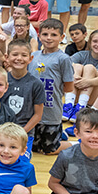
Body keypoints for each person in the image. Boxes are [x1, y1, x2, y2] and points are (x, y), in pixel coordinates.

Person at [31, 19, 74, 155]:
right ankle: (60, 136)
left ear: (61, 37)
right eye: (45, 34)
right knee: (35, 148)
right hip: (33, 114)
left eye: (54, 35)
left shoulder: (63, 59)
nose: (49, 38)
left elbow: (69, 87)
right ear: (39, 36)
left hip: (51, 112)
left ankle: (75, 143)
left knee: (49, 150)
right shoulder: (33, 56)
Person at [63, 30, 98, 131]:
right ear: (90, 43)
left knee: (89, 67)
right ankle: (69, 105)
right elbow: (66, 67)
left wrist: (87, 82)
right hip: (76, 93)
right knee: (76, 66)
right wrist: (76, 77)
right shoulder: (81, 55)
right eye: (95, 41)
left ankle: (81, 107)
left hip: (96, 99)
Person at [2, 40, 44, 157]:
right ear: (7, 57)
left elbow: (38, 115)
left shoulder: (36, 84)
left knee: (21, 166)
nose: (19, 58)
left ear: (30, 58)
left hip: (25, 134)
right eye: (15, 54)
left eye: (24, 55)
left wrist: (22, 132)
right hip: (1, 132)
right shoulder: (1, 80)